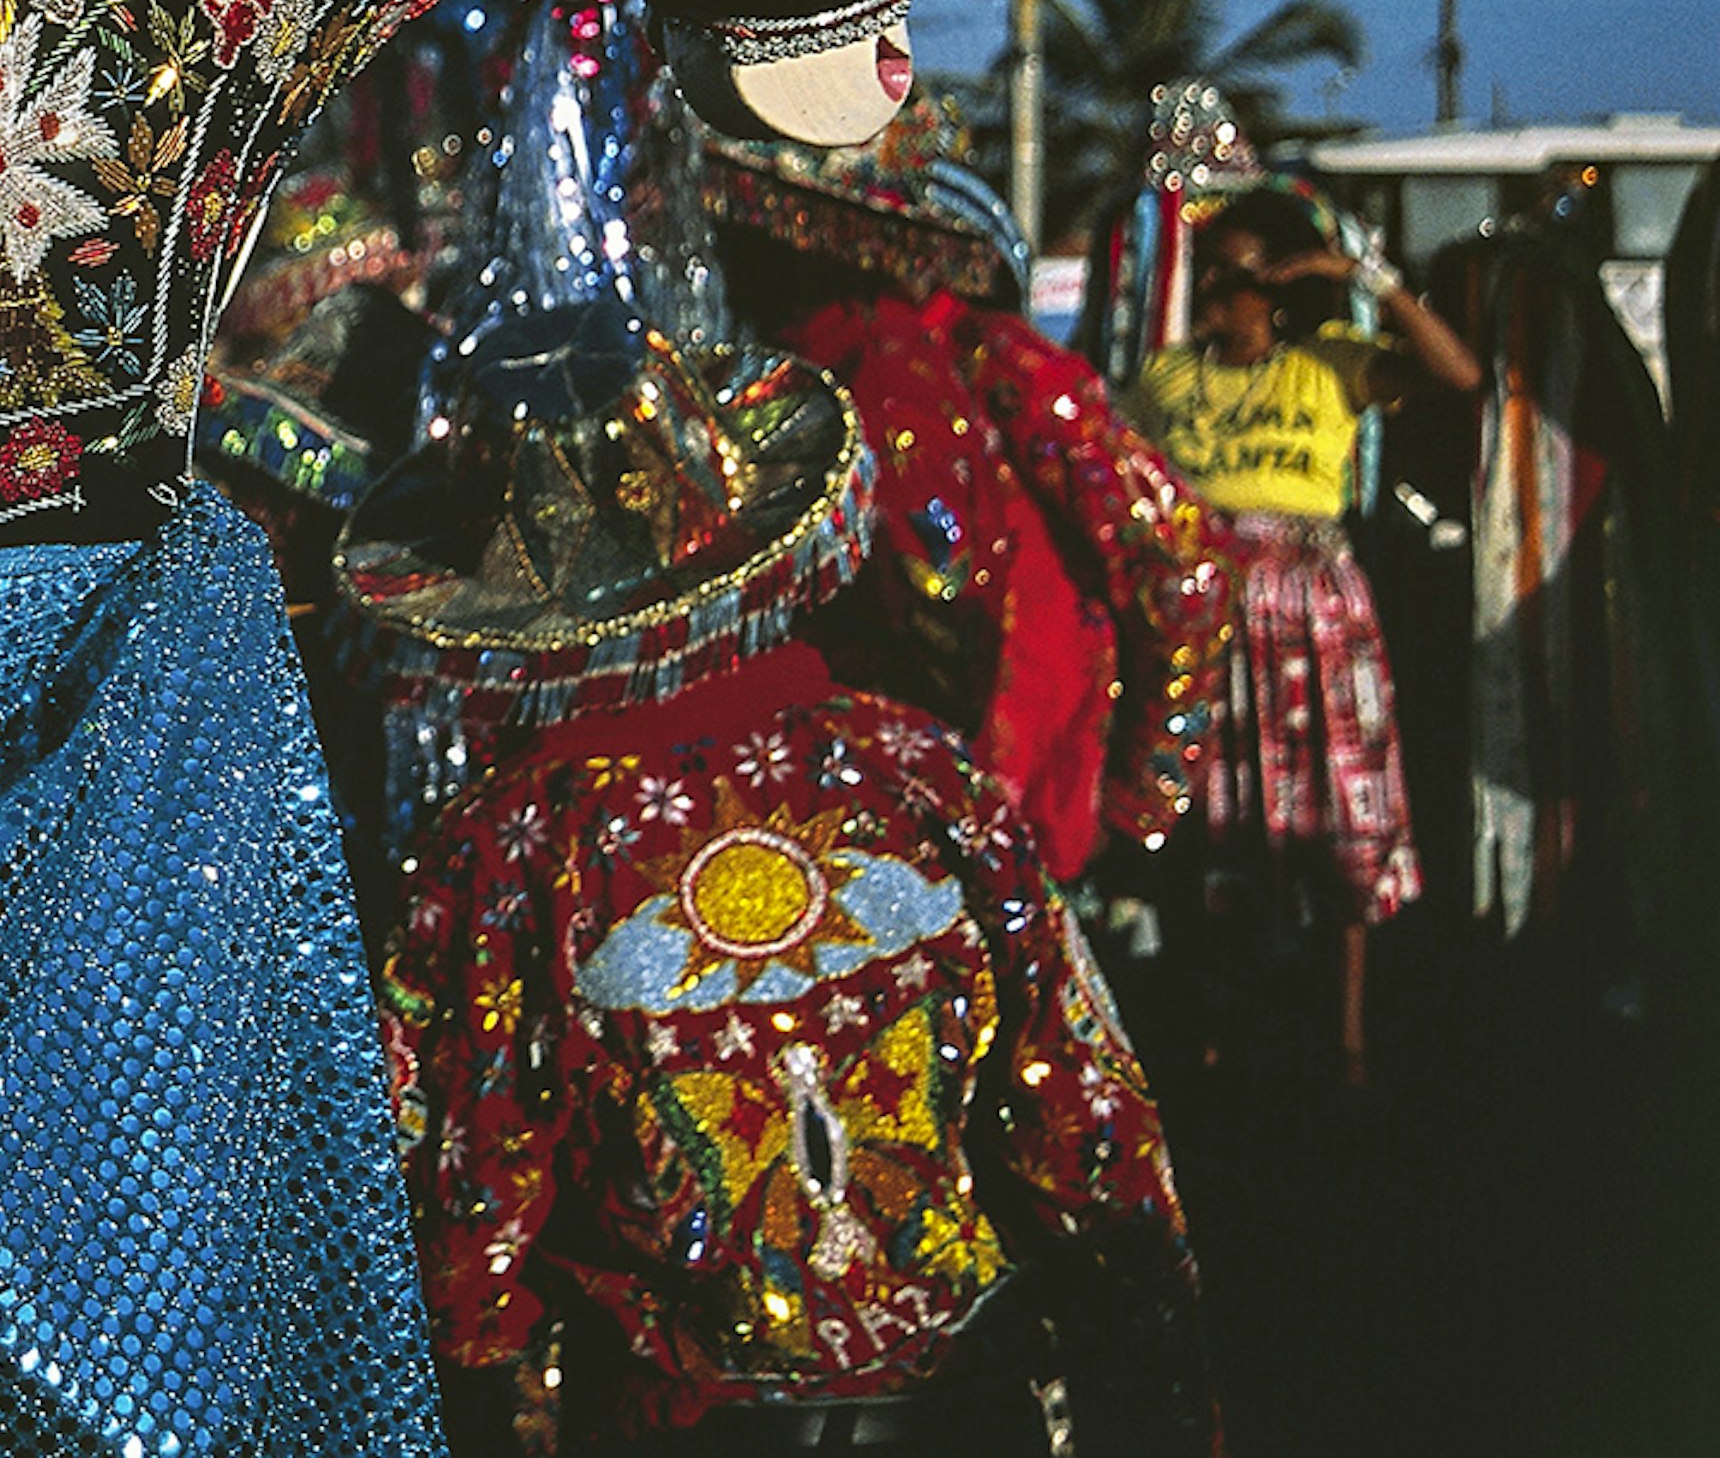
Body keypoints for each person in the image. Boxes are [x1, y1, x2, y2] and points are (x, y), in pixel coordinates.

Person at [347, 313, 1217, 1457]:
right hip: (966, 1399)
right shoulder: (920, 768)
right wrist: (1162, 1365)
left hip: (683, 1419)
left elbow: (462, 1214)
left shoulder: (505, 847)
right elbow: (1089, 1120)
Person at [704, 106, 1230, 883]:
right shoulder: (760, 380)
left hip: (979, 799)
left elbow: (1180, 568)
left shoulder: (968, 365)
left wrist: (1140, 793)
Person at [1130, 200, 1479, 1081]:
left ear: (1279, 288)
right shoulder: (1167, 378)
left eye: (1239, 274)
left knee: (1337, 805)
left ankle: (1347, 1033)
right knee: (1207, 811)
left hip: (1313, 608)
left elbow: (1461, 376)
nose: (1216, 288)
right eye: (1209, 270)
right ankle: (1209, 1023)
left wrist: (1361, 278)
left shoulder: (1329, 366)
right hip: (1204, 613)